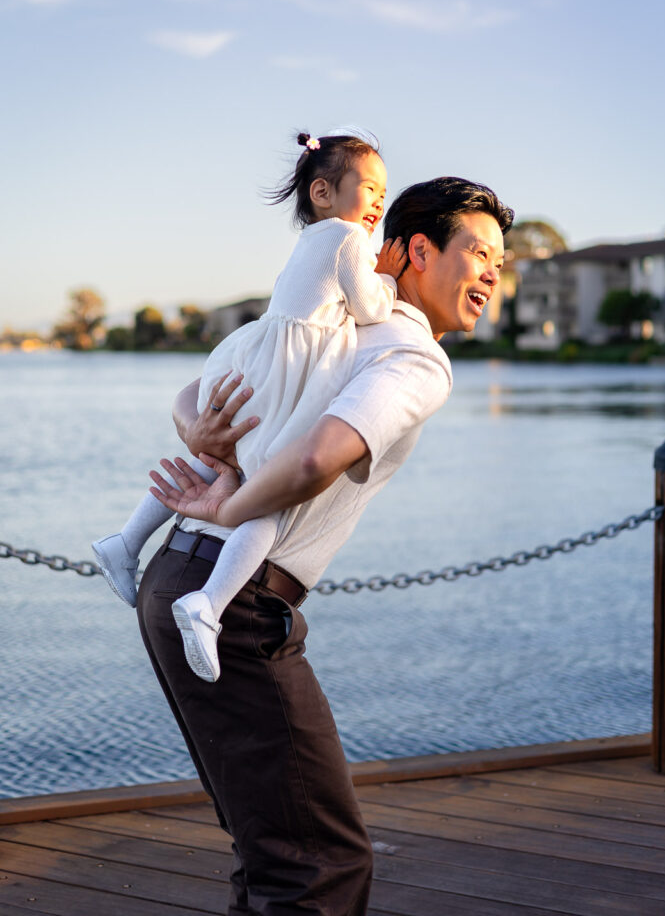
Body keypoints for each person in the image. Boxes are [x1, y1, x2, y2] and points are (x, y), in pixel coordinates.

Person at [139, 175, 513, 915]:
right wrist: (233, 501)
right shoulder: (413, 358)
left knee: (271, 849)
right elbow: (316, 459)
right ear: (413, 250)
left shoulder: (328, 320)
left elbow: (194, 392)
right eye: (478, 252)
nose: (494, 273)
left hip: (175, 577)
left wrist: (197, 432)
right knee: (320, 865)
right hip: (235, 603)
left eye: (501, 261)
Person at [92, 131, 406, 682]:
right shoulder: (349, 242)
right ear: (323, 192)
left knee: (220, 459)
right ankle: (208, 604)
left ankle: (126, 540)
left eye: (384, 191)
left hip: (260, 363)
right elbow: (370, 307)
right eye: (370, 188)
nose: (379, 201)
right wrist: (388, 279)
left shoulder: (310, 242)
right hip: (293, 375)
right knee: (268, 496)